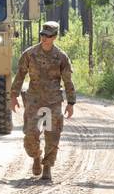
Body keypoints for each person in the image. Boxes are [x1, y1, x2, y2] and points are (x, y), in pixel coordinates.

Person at [10, 20, 76, 182]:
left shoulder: (61, 57)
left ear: (54, 37)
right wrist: (13, 95)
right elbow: (20, 75)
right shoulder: (30, 54)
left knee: (52, 135)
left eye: (48, 36)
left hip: (53, 102)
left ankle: (47, 167)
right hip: (33, 101)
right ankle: (36, 157)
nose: (44, 38)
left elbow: (68, 81)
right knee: (30, 135)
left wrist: (71, 102)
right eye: (42, 35)